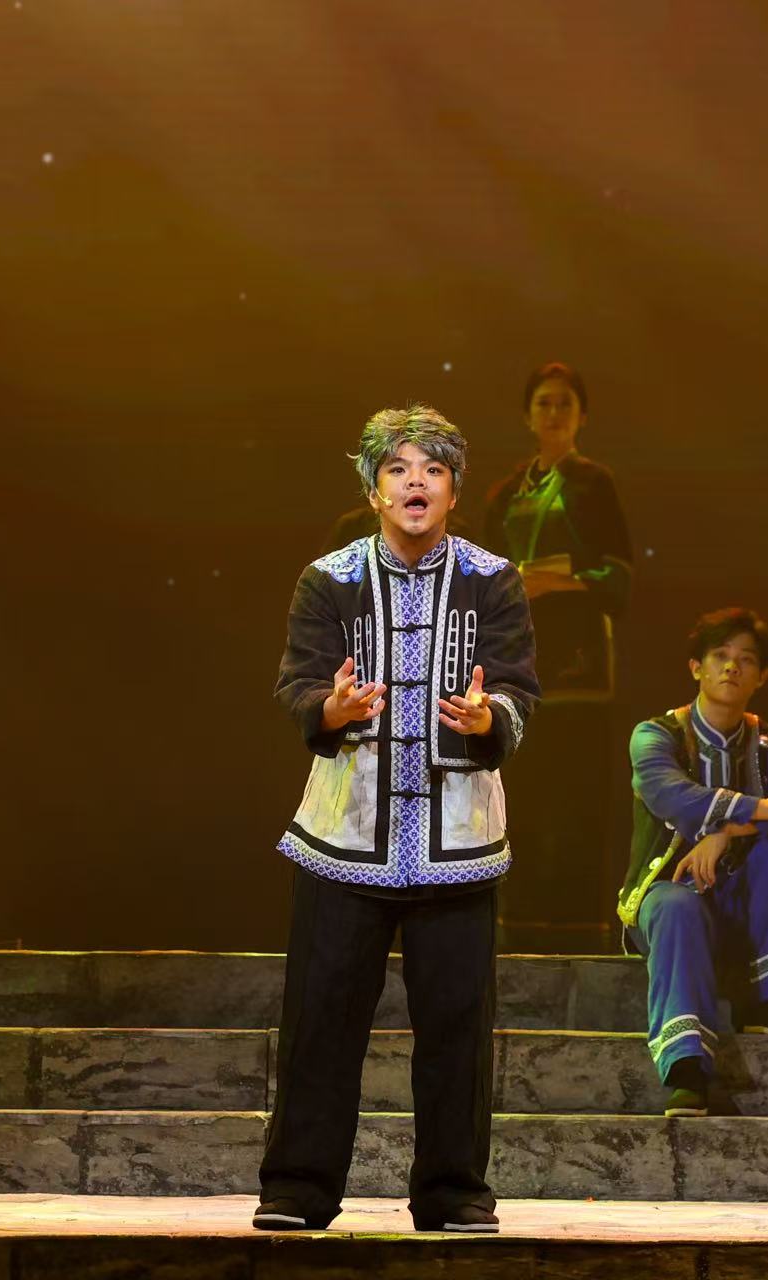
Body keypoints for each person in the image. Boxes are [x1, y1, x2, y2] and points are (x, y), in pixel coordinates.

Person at [258, 405, 539, 1234]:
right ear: (374, 490)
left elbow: (519, 688)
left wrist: (489, 718)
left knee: (457, 1029)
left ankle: (454, 1192)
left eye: (433, 470)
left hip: (458, 841)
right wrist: (333, 707)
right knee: (320, 1023)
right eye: (398, 469)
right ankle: (298, 1189)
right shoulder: (329, 578)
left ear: (454, 491)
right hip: (345, 837)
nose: (416, 483)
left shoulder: (494, 578)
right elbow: (297, 684)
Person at [614, 608, 768, 1117]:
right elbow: (675, 798)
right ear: (696, 667)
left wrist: (726, 832)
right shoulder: (656, 735)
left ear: (762, 676)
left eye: (746, 659)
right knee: (676, 907)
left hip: (747, 902)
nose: (732, 667)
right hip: (671, 890)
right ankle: (687, 1069)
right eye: (720, 656)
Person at [480, 362, 634, 950]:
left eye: (564, 403)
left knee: (578, 798)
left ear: (582, 415)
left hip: (578, 665)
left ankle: (579, 937)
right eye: (543, 402)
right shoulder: (503, 493)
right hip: (512, 664)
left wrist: (559, 582)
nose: (553, 412)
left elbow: (620, 578)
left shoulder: (595, 483)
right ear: (527, 415)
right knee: (520, 798)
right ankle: (516, 935)